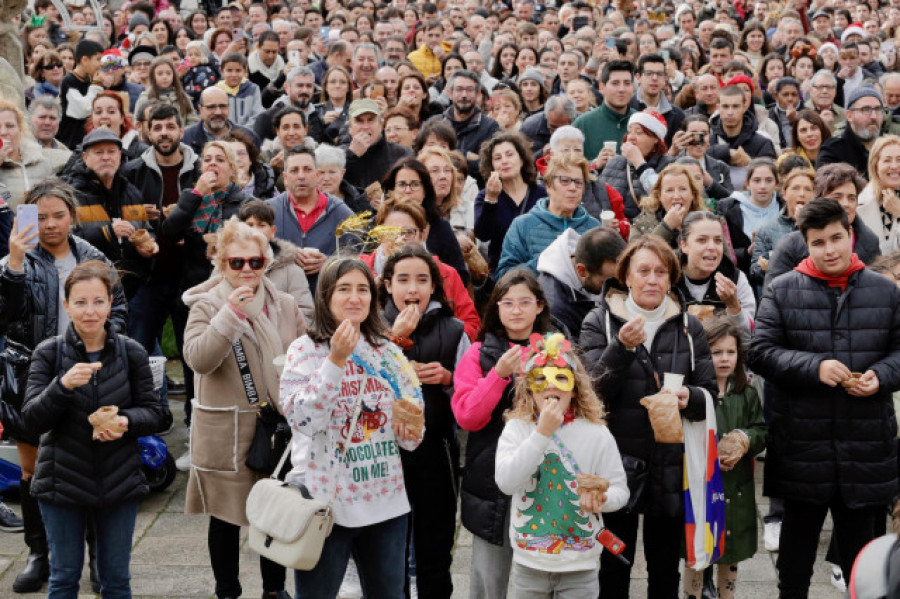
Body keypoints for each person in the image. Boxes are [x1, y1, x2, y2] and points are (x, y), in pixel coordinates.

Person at [748, 197, 900, 597]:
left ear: (850, 235)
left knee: (865, 568)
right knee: (794, 566)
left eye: (837, 238)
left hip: (866, 447)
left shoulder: (885, 291)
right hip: (802, 448)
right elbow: (760, 352)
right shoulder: (781, 290)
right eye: (819, 242)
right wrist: (814, 367)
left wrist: (880, 376)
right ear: (805, 244)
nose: (830, 249)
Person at [0, 179, 127, 594]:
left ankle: (93, 555)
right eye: (41, 216)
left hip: (88, 371)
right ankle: (41, 553)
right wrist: (15, 265)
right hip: (29, 374)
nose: (50, 224)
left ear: (72, 215)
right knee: (33, 469)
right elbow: (8, 317)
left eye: (59, 215)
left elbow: (119, 311)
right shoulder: (15, 260)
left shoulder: (92, 257)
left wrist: (104, 351)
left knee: (88, 464)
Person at [579, 235, 716, 599]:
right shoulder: (600, 321)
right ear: (627, 277)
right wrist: (621, 347)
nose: (653, 279)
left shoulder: (689, 327)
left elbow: (710, 394)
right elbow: (590, 391)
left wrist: (691, 397)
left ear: (671, 279)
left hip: (671, 463)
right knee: (612, 566)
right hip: (615, 461)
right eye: (644, 271)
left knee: (664, 569)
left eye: (661, 272)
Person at [279, 255, 424, 598]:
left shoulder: (387, 352)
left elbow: (415, 425)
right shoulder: (304, 350)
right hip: (324, 505)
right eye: (344, 289)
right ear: (326, 296)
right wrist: (335, 361)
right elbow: (303, 420)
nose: (355, 297)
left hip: (386, 503)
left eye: (363, 289)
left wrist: (410, 433)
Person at [22, 260, 163, 598]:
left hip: (119, 480)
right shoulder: (48, 353)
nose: (90, 311)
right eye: (81, 303)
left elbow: (157, 413)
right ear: (67, 305)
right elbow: (30, 420)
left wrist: (126, 422)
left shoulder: (131, 352)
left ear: (110, 302)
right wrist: (62, 386)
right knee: (63, 578)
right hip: (62, 482)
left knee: (116, 580)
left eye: (98, 301)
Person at [182, 217, 305, 599]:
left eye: (255, 262)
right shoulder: (206, 305)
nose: (247, 270)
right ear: (222, 265)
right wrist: (229, 316)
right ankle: (227, 591)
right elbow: (198, 360)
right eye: (237, 263)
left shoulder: (284, 304)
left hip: (276, 427)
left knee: (275, 512)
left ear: (266, 263)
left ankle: (274, 590)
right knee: (225, 518)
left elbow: (304, 353)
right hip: (225, 431)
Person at [494, 333, 629, 598]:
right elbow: (507, 483)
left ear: (575, 388)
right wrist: (541, 434)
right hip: (529, 563)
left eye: (560, 379)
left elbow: (620, 491)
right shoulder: (517, 429)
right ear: (528, 387)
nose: (550, 387)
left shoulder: (596, 434)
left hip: (580, 566)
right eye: (540, 379)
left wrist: (601, 499)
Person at [452, 269, 555, 599]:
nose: (516, 310)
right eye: (507, 302)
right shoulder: (479, 353)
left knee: (542, 577)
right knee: (489, 580)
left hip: (546, 477)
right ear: (495, 308)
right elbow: (468, 417)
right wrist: (498, 375)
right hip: (491, 481)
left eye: (525, 302)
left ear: (539, 306)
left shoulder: (557, 349)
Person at [379, 245, 470, 599]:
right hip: (385, 449)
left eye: (422, 280)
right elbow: (357, 384)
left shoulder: (455, 329)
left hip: (437, 447)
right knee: (389, 550)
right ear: (387, 285)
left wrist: (450, 380)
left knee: (435, 546)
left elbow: (470, 401)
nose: (412, 290)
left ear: (434, 286)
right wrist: (394, 342)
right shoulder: (370, 327)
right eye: (403, 280)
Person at [683, 317, 766, 599]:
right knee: (696, 552)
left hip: (736, 490)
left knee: (730, 553)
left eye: (730, 352)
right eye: (716, 352)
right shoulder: (693, 395)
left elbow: (761, 430)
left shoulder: (747, 393)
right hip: (701, 488)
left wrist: (745, 439)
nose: (723, 359)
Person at [359, 198, 480, 340]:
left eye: (408, 233)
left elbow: (472, 324)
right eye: (390, 232)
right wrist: (394, 336)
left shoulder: (445, 273)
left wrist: (441, 340)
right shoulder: (360, 271)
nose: (399, 239)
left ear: (423, 234)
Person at [64, 128, 157, 300]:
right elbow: (64, 237)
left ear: (119, 156)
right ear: (85, 158)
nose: (106, 157)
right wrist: (107, 232)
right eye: (98, 152)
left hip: (132, 288)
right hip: (88, 289)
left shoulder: (131, 191)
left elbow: (146, 228)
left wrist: (149, 244)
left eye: (111, 152)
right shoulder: (70, 194)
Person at [161, 141, 255, 293]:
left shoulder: (248, 204)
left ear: (232, 169)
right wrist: (197, 193)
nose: (212, 164)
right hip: (193, 286)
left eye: (220, 160)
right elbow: (170, 232)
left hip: (232, 285)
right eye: (207, 160)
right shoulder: (191, 197)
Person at [766, 163, 880, 285]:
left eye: (852, 198)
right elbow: (774, 294)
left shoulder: (870, 242)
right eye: (837, 197)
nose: (846, 204)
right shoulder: (791, 245)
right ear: (819, 199)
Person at [266, 145, 354, 293]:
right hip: (278, 302)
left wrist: (329, 263)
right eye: (294, 170)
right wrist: (284, 255)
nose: (301, 176)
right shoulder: (268, 211)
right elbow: (252, 253)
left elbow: (359, 259)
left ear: (318, 175)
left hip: (327, 302)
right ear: (285, 178)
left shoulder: (342, 213)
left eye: (307, 169)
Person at [496, 154, 601, 278]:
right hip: (539, 296)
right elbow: (504, 277)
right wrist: (546, 260)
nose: (573, 188)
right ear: (548, 186)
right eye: (565, 181)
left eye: (579, 182)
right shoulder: (522, 225)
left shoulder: (594, 228)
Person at [381, 157, 469, 285]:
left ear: (425, 191)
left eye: (415, 184)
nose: (408, 190)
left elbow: (461, 276)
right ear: (392, 190)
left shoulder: (439, 226)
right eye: (401, 184)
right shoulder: (379, 225)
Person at [474, 132, 545, 274]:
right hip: (503, 272)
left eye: (510, 155)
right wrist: (491, 200)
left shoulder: (542, 194)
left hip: (541, 269)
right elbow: (483, 234)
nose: (504, 161)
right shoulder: (485, 196)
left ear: (522, 159)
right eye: (498, 158)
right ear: (492, 166)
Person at [537, 226, 625, 339]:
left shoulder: (589, 255)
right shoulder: (554, 308)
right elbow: (576, 353)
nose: (615, 287)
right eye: (605, 282)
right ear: (582, 271)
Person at [675, 211, 756, 331]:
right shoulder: (667, 278)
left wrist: (734, 307)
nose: (712, 247)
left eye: (718, 240)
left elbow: (748, 338)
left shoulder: (735, 278)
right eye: (702, 240)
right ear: (684, 245)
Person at [238, 199, 314, 322]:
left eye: (261, 225)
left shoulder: (291, 270)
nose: (255, 230)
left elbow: (306, 314)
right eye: (249, 225)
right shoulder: (228, 264)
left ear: (272, 231)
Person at [598, 110, 674, 219]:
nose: (631, 137)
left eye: (639, 133)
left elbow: (665, 197)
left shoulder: (669, 164)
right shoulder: (615, 162)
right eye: (630, 132)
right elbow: (598, 198)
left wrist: (639, 163)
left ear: (655, 139)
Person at [750, 168, 814, 291]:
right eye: (795, 188)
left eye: (807, 189)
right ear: (784, 194)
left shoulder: (821, 227)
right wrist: (769, 267)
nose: (802, 194)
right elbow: (755, 272)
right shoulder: (766, 230)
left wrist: (804, 225)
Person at [438, 70, 501, 178]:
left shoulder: (490, 127)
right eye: (459, 89)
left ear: (477, 94)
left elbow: (488, 166)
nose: (464, 95)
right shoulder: (436, 124)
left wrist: (448, 155)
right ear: (450, 93)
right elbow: (426, 159)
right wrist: (467, 155)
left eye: (469, 90)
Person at [572, 60, 637, 164]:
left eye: (627, 83)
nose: (621, 89)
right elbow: (566, 165)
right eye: (615, 83)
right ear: (602, 87)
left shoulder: (641, 123)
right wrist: (594, 164)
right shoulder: (582, 124)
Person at [630, 163, 706, 248]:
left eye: (683, 189)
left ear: (693, 194)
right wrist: (666, 227)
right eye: (669, 190)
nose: (677, 196)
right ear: (659, 196)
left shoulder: (707, 222)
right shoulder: (641, 224)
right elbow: (636, 256)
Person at [344, 99, 413, 190]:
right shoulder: (338, 156)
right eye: (359, 121)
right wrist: (351, 155)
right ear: (350, 127)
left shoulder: (402, 154)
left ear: (381, 125)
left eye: (370, 120)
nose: (365, 127)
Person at [0, 100, 56, 210]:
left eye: (10, 126)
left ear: (20, 129)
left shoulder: (42, 163)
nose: (3, 132)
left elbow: (58, 201)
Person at [816, 86, 884, 172]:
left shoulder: (889, 148)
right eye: (866, 109)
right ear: (849, 115)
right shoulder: (833, 150)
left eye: (878, 109)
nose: (874, 116)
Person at [668, 115, 733, 202]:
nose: (699, 139)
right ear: (683, 136)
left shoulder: (721, 167)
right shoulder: (672, 163)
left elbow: (731, 200)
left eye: (704, 134)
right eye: (693, 134)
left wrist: (711, 183)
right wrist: (671, 152)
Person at [183, 87, 261, 158]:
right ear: (200, 109)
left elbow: (258, 169)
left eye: (223, 106)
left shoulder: (249, 137)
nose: (218, 112)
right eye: (211, 107)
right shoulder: (185, 139)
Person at [857, 135, 900, 254]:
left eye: (899, 159)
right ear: (875, 165)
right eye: (887, 160)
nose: (895, 166)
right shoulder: (860, 203)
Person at [58, 39, 104, 149]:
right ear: (84, 60)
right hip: (71, 144)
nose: (100, 64)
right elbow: (83, 110)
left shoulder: (91, 80)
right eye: (97, 59)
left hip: (90, 141)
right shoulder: (69, 82)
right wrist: (96, 86)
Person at [134, 57, 200, 129]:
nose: (165, 77)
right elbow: (138, 123)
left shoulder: (183, 97)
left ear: (173, 75)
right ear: (153, 76)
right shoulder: (145, 98)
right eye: (160, 74)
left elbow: (193, 121)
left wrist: (181, 134)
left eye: (168, 73)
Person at [313, 144, 370, 214]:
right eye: (322, 172)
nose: (326, 178)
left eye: (332, 172)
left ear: (342, 173)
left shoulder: (358, 201)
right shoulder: (302, 201)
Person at [215, 53, 265, 128]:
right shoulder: (216, 91)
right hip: (225, 134)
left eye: (238, 70)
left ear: (245, 71)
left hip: (248, 133)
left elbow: (257, 114)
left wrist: (243, 131)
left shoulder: (253, 89)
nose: (234, 74)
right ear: (222, 71)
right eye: (229, 70)